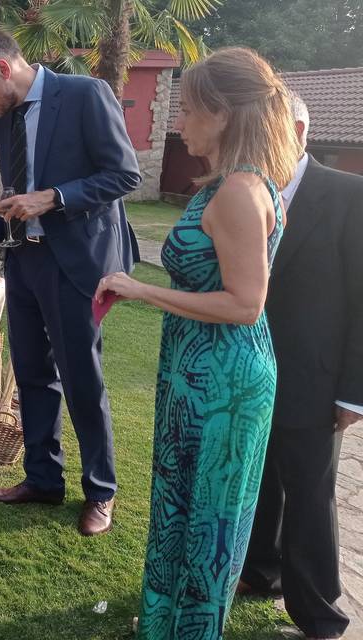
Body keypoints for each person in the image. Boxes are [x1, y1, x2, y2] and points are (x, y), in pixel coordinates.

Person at [94, 47, 301, 639]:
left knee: (207, 518)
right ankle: (165, 625)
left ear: (225, 114)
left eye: (187, 110)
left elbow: (244, 304)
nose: (177, 122)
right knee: (180, 504)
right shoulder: (230, 185)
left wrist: (142, 290)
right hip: (197, 368)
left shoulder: (238, 190)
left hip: (223, 380)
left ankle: (189, 631)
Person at [0, 31, 142, 536]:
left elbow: (123, 175)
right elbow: (15, 193)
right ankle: (42, 479)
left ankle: (101, 491)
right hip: (24, 263)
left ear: (4, 69)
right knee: (31, 374)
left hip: (77, 264)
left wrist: (52, 197)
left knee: (82, 378)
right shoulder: (2, 115)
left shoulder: (85, 94)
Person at [238, 93, 363, 640]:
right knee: (262, 479)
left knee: (310, 494)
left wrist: (353, 392)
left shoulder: (350, 195)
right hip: (251, 369)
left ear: (297, 130)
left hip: (315, 376)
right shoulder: (245, 191)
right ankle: (263, 572)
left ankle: (322, 619)